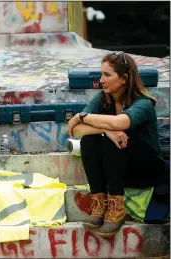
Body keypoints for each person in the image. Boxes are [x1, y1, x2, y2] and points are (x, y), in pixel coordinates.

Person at [67, 51, 169, 237]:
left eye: (107, 75)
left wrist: (81, 116)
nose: (101, 80)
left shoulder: (143, 103)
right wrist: (106, 130)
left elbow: (119, 123)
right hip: (119, 170)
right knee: (91, 140)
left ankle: (116, 208)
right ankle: (99, 201)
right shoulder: (102, 99)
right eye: (101, 74)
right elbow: (76, 130)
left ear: (123, 79)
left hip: (148, 169)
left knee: (115, 140)